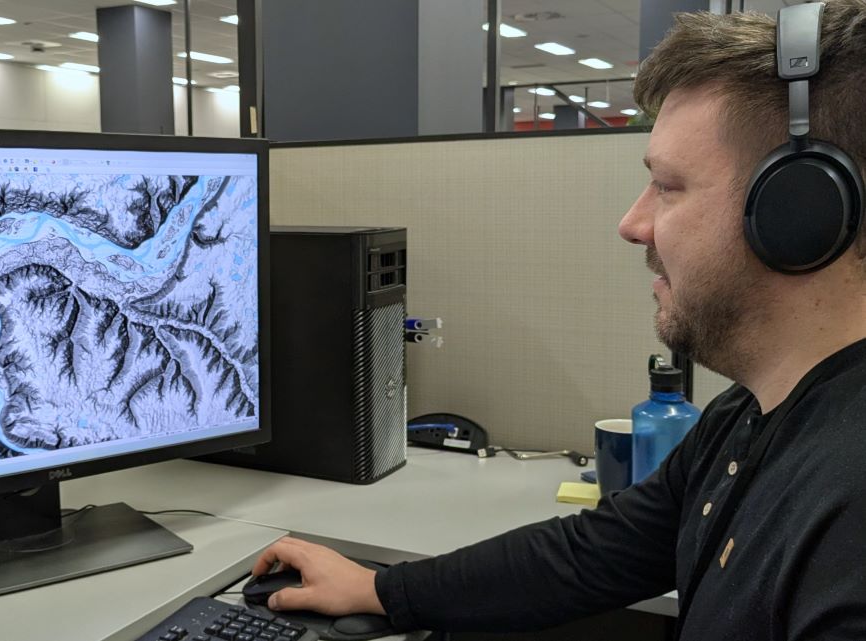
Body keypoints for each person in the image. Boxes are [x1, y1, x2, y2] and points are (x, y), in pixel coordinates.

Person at [250, 2, 866, 639]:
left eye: (668, 187)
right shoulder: (753, 415)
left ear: (799, 211)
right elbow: (594, 553)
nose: (633, 224)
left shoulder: (850, 512)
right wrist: (381, 590)